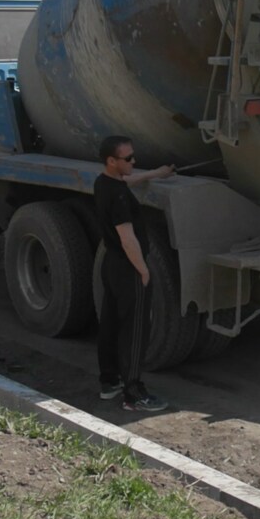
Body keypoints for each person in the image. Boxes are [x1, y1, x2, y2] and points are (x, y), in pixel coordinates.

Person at [94, 136, 175, 412]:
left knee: (111, 324)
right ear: (112, 161)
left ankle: (109, 383)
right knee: (136, 330)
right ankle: (134, 393)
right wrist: (143, 270)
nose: (133, 162)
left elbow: (124, 183)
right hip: (128, 268)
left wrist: (155, 174)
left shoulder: (104, 183)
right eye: (128, 159)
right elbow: (127, 238)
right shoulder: (117, 197)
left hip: (111, 265)